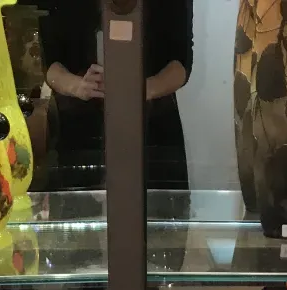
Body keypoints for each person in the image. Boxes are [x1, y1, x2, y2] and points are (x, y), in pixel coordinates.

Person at [40, 0, 193, 191]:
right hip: (80, 129)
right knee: (78, 204)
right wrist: (77, 85)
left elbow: (181, 62)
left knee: (158, 205)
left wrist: (142, 89)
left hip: (152, 127)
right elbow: (50, 61)